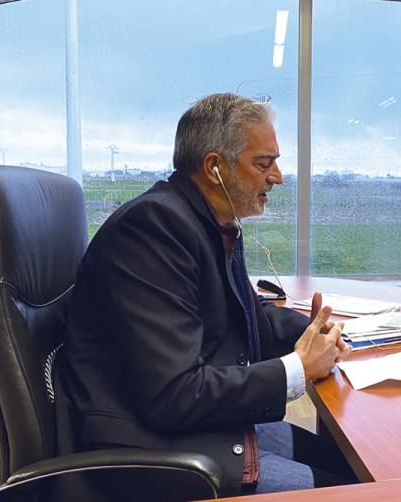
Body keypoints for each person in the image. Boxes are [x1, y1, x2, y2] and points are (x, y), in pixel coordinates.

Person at [55, 93, 356, 497]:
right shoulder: (154, 228)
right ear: (215, 167)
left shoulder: (207, 222)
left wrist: (316, 330)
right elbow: (174, 395)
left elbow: (249, 317)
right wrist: (299, 368)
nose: (278, 177)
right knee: (364, 490)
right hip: (151, 451)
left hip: (198, 431)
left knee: (358, 470)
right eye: (264, 164)